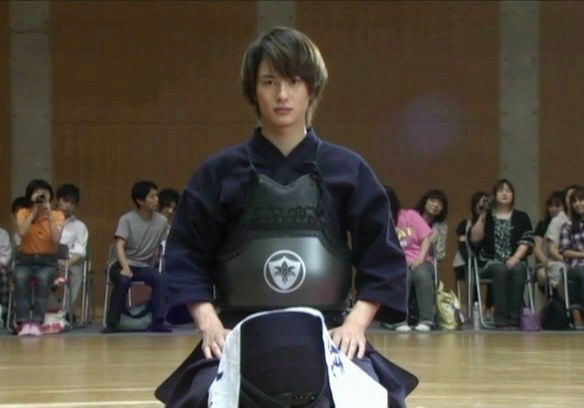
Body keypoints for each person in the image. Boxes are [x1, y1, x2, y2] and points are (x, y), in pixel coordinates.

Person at [156, 27, 417, 408]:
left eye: (294, 81)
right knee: (199, 399)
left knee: (376, 399)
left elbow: (382, 255)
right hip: (236, 332)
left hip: (329, 331)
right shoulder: (218, 173)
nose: (282, 94)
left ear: (312, 88)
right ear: (252, 90)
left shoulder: (348, 170)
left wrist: (356, 324)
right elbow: (186, 256)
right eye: (269, 82)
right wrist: (210, 325)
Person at [102, 180, 171, 333]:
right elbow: (119, 246)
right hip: (121, 263)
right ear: (140, 200)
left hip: (142, 265)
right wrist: (125, 268)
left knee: (160, 279)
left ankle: (158, 321)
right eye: (152, 197)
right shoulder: (126, 219)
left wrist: (152, 266)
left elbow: (158, 246)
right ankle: (112, 323)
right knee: (124, 280)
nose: (156, 199)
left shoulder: (162, 221)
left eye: (157, 196)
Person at [470, 179, 533, 329]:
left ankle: (514, 319)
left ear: (513, 195)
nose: (505, 193)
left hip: (515, 259)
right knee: (500, 269)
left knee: (519, 268)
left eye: (508, 191)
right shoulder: (487, 216)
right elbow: (475, 238)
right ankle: (500, 319)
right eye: (501, 190)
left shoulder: (522, 216)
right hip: (490, 262)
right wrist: (483, 213)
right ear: (494, 195)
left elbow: (527, 241)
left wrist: (515, 257)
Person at [13, 179, 65, 336]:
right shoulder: (23, 212)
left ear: (50, 196)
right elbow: (22, 232)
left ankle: (37, 322)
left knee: (43, 278)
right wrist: (33, 212)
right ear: (30, 196)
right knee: (20, 277)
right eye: (37, 193)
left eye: (45, 193)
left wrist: (49, 215)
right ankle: (23, 323)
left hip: (48, 262)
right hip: (25, 261)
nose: (41, 196)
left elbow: (56, 239)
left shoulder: (57, 215)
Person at [386, 186, 435, 332]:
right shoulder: (380, 220)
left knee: (422, 274)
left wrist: (420, 259)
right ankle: (398, 321)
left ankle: (426, 320)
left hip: (420, 260)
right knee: (402, 275)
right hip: (397, 263)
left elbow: (426, 239)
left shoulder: (410, 215)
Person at [55, 183, 89, 322]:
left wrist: (66, 264)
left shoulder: (79, 226)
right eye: (65, 200)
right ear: (57, 200)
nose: (68, 205)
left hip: (69, 263)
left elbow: (80, 251)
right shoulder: (45, 221)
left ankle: (64, 312)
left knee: (77, 272)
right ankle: (52, 309)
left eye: (73, 203)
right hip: (46, 262)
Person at [533, 191, 565, 305]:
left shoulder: (569, 224)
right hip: (545, 263)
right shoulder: (542, 225)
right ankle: (548, 308)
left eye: (557, 205)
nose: (553, 209)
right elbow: (537, 249)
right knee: (542, 275)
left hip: (564, 261)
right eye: (551, 205)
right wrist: (546, 262)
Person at [559, 186, 584, 329]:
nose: (577, 204)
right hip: (575, 266)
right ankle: (578, 318)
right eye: (574, 201)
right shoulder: (568, 226)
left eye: (581, 200)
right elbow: (565, 252)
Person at [415, 189, 448, 262]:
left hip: (428, 263)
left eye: (440, 204)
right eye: (433, 201)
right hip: (408, 259)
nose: (436, 205)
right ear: (425, 201)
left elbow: (440, 255)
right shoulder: (412, 218)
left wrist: (431, 243)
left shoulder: (441, 227)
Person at [0, 225, 12, 317]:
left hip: (0, 265)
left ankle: (3, 311)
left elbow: (6, 254)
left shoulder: (3, 233)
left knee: (3, 274)